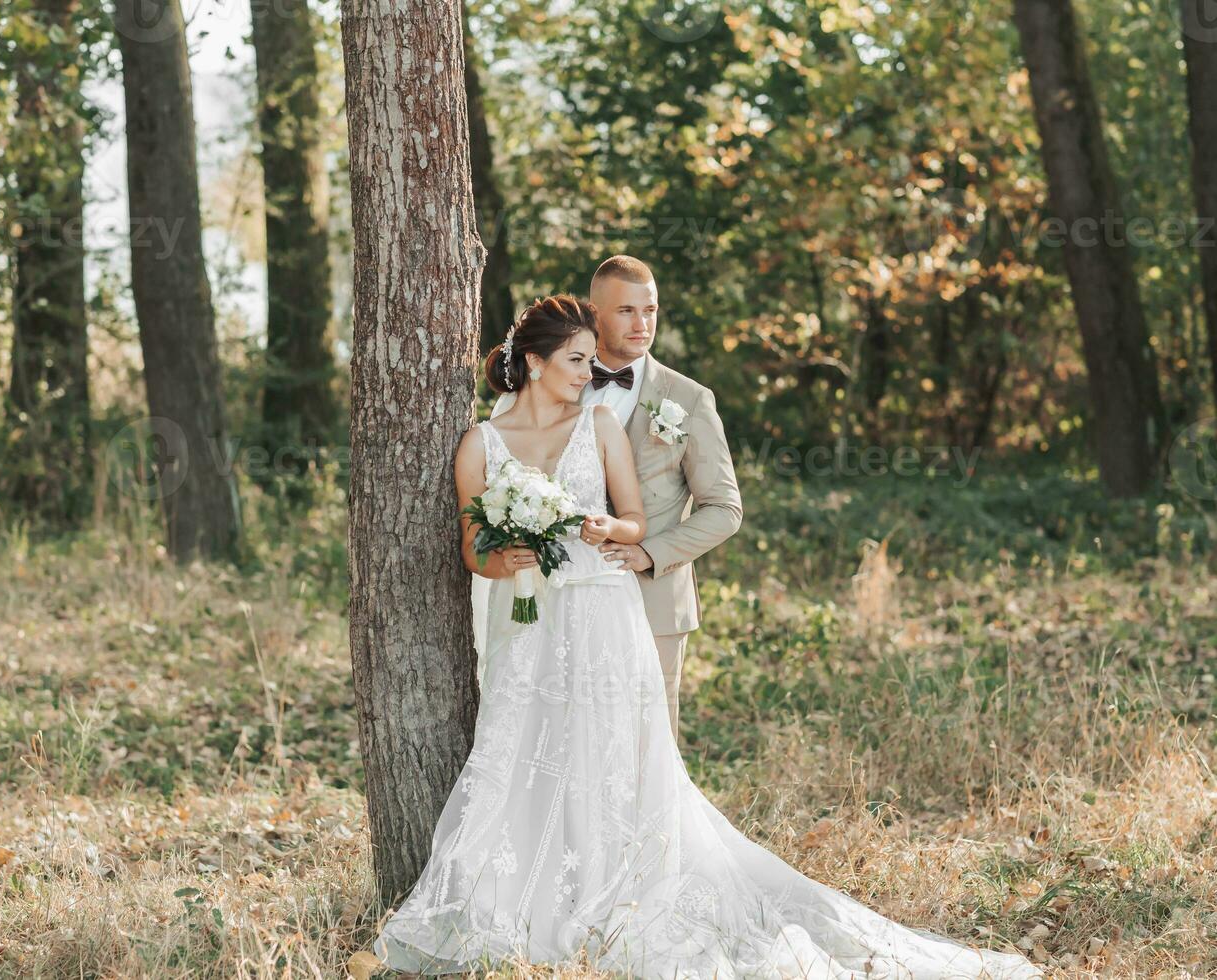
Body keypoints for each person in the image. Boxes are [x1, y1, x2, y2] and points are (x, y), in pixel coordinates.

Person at [373, 292, 1044, 978]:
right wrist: (502, 556)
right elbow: (470, 545)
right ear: (536, 362)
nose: (587, 370)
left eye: (589, 359)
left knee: (611, 755)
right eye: (576, 360)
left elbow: (633, 518)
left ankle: (614, 893)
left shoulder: (599, 425)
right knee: (524, 745)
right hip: (528, 620)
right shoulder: (479, 442)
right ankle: (523, 901)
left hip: (604, 613)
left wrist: (609, 530)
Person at [473, 254, 742, 743]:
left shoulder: (688, 399)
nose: (642, 324)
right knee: (558, 743)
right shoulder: (548, 381)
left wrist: (645, 552)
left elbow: (725, 509)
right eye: (626, 311)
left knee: (644, 749)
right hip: (556, 600)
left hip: (653, 600)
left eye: (651, 310)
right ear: (594, 315)